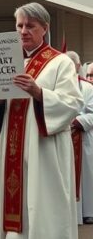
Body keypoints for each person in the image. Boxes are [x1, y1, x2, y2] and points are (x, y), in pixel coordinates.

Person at [0, 2, 82, 239]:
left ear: (44, 28)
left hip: (44, 150)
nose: (23, 31)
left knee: (44, 207)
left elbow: (72, 103)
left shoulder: (60, 62)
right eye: (19, 25)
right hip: (13, 150)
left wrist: (39, 92)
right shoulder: (7, 61)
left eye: (30, 26)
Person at [67, 51, 93, 225]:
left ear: (77, 66)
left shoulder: (88, 88)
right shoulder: (58, 85)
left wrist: (75, 121)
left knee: (86, 175)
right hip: (62, 135)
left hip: (82, 137)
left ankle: (87, 211)